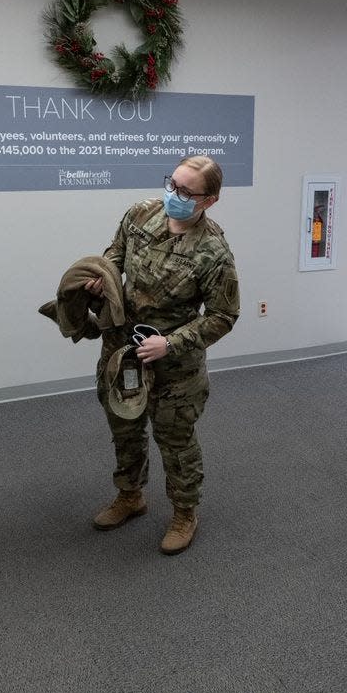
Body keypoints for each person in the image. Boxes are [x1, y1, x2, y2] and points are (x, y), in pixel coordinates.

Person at [87, 155, 240, 555]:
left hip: (175, 366)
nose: (174, 195)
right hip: (124, 352)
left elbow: (223, 316)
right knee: (125, 426)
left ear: (209, 200)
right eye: (172, 184)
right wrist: (101, 279)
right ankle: (130, 495)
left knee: (175, 440)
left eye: (186, 192)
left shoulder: (214, 251)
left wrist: (170, 343)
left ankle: (185, 512)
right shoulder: (140, 213)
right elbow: (114, 255)